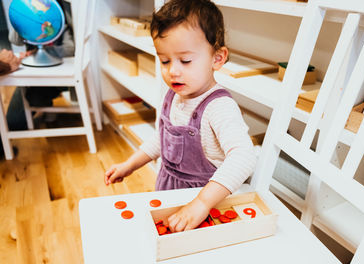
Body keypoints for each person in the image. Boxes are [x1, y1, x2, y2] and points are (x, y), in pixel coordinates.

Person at [104, 0, 257, 232]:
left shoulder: (219, 107)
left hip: (206, 204)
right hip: (170, 192)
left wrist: (202, 203)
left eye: (185, 60)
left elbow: (244, 157)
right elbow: (162, 139)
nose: (173, 71)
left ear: (217, 58)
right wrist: (130, 165)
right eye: (164, 61)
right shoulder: (174, 95)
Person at [6, 0, 74, 130]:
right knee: (13, 122)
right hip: (34, 74)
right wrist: (19, 17)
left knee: (35, 99)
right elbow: (14, 41)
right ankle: (46, 105)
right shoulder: (26, 6)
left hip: (58, 71)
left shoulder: (59, 13)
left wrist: (37, 52)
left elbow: (70, 48)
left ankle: (47, 104)